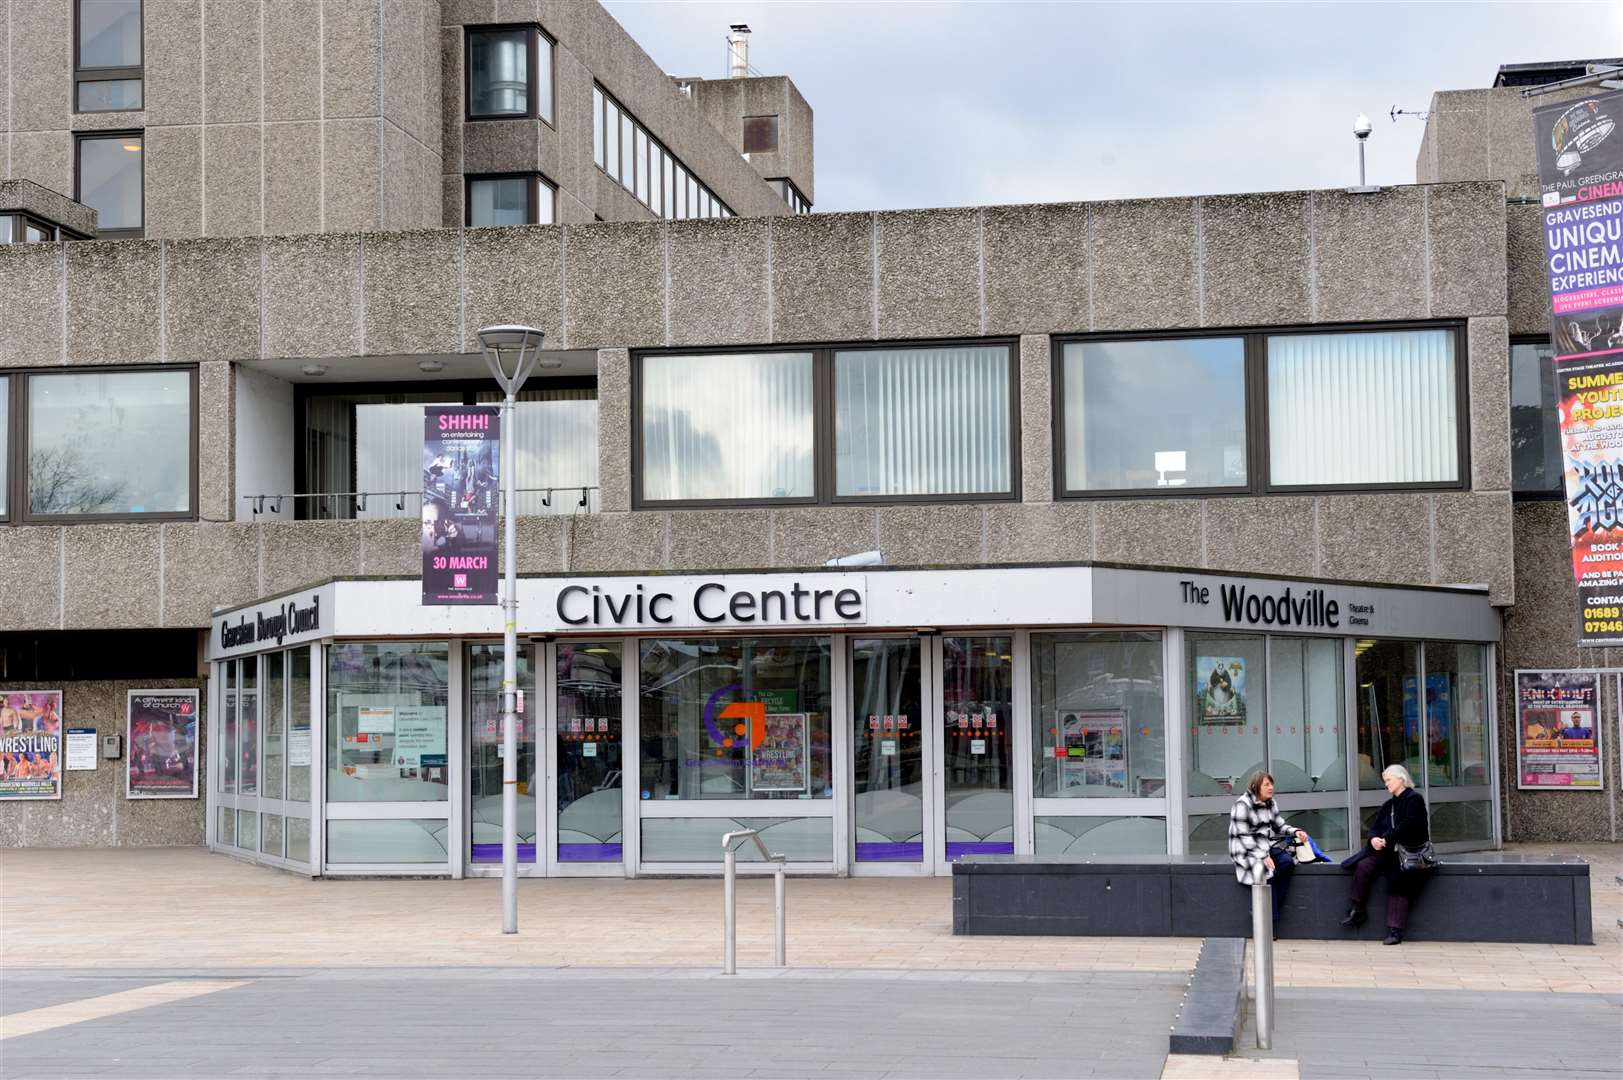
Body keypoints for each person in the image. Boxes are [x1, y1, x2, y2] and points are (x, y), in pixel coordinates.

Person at [1341, 763, 1430, 945]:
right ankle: (1358, 909)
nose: (1386, 784)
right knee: (1364, 865)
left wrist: (1386, 838)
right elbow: (1374, 828)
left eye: (1388, 780)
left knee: (1398, 881)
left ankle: (1395, 930)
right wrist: (1374, 839)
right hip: (1388, 851)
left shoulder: (1414, 800)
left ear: (1400, 779)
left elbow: (1409, 825)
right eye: (1385, 781)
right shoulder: (1389, 804)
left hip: (1408, 853)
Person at [1228, 771, 1308, 920]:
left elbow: (1280, 825)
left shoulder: (1271, 802)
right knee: (1268, 871)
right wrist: (1263, 856)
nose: (1271, 788)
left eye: (1271, 784)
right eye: (1266, 785)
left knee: (1287, 863)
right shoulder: (1242, 804)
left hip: (1264, 845)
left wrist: (1296, 832)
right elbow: (1243, 836)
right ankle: (1268, 920)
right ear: (1255, 786)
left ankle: (1263, 909)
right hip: (1244, 849)